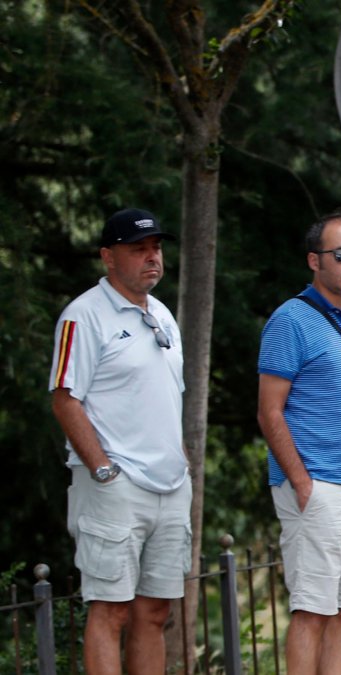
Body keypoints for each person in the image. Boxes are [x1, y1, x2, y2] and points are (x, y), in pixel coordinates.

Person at [49, 208, 189, 675]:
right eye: (138, 250)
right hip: (116, 486)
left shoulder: (164, 315)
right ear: (109, 257)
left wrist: (183, 462)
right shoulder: (84, 316)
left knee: (156, 612)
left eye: (156, 248)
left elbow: (168, 398)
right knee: (111, 610)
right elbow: (65, 398)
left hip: (170, 486)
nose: (152, 258)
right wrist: (104, 471)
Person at [257, 211, 341, 675]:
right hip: (317, 486)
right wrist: (300, 481)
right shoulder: (290, 320)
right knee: (311, 609)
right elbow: (269, 410)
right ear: (315, 260)